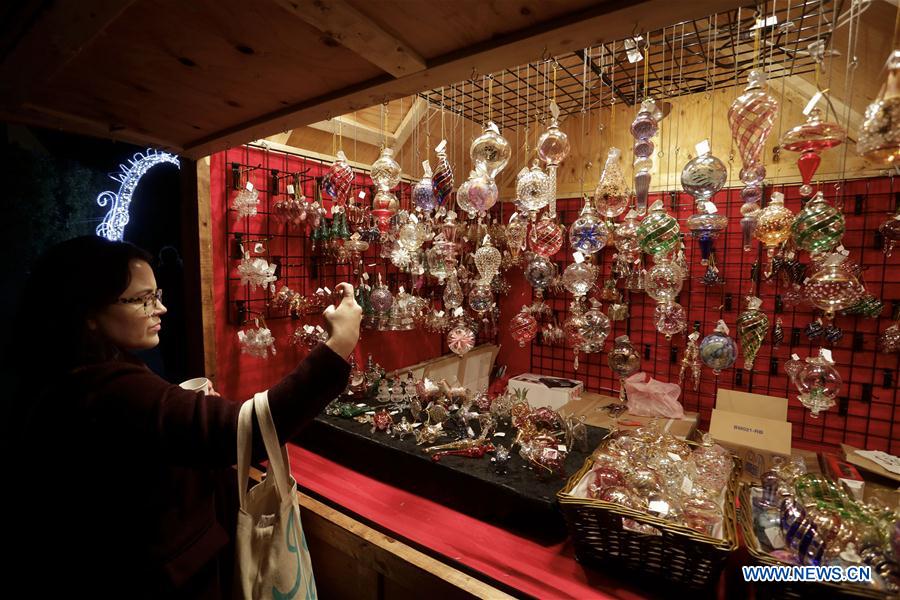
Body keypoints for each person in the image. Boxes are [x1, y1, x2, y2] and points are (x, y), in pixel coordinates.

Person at [5, 235, 361, 598]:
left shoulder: (65, 379)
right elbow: (245, 431)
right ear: (89, 314)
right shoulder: (108, 389)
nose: (160, 309)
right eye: (143, 300)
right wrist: (338, 347)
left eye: (156, 296)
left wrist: (186, 417)